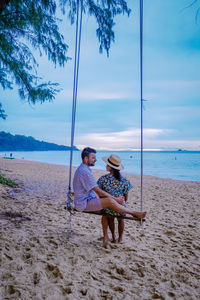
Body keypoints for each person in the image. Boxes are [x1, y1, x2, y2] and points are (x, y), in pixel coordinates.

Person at [73, 147, 146, 246]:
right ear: (86, 159)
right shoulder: (124, 180)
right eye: (93, 158)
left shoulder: (97, 176)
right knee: (111, 205)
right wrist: (117, 200)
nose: (96, 160)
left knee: (107, 209)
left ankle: (109, 237)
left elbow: (98, 190)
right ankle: (131, 216)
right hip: (84, 203)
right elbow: (99, 190)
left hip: (90, 201)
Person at [97, 154, 132, 245]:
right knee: (121, 219)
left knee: (110, 217)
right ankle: (120, 238)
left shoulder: (103, 179)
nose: (106, 165)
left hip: (109, 206)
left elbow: (99, 193)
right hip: (120, 206)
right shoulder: (124, 180)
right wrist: (122, 204)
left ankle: (113, 236)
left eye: (107, 164)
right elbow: (126, 196)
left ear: (110, 167)